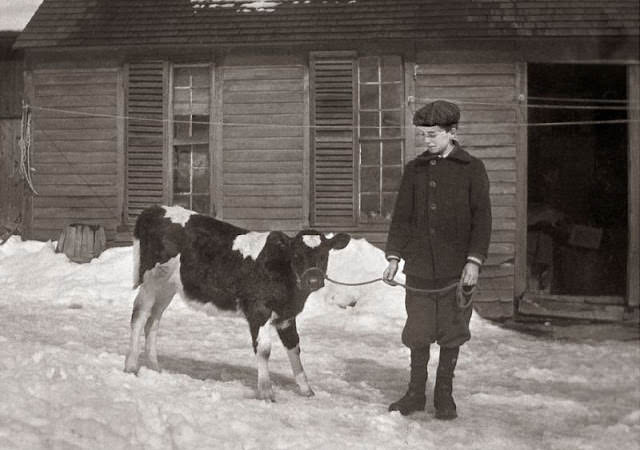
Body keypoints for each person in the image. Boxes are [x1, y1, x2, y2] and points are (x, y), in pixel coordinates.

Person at [383, 100, 492, 419]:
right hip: (418, 268)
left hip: (455, 270)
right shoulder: (414, 169)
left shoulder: (472, 168)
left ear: (452, 132)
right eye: (422, 135)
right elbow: (401, 217)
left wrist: (474, 261)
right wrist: (393, 257)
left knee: (451, 330)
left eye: (432, 134)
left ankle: (444, 395)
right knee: (417, 330)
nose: (426, 140)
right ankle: (415, 394)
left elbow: (482, 219)